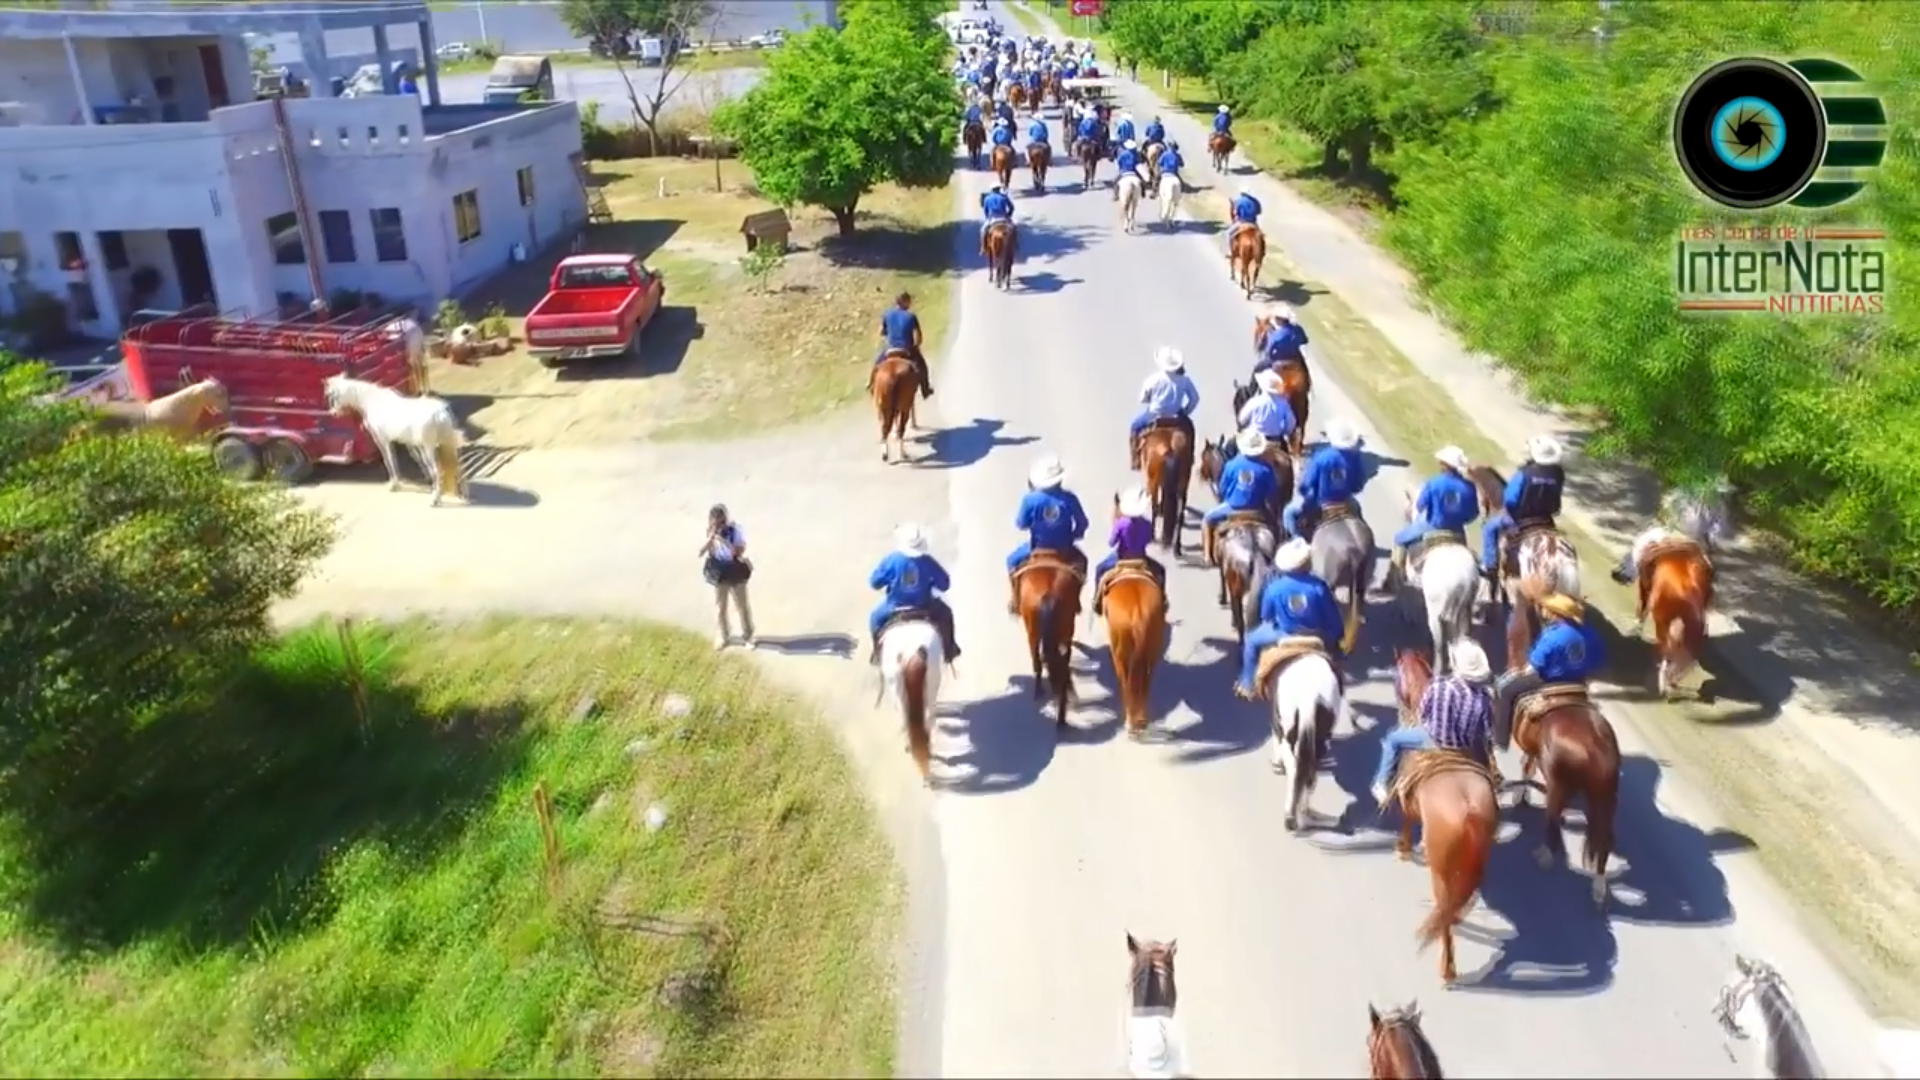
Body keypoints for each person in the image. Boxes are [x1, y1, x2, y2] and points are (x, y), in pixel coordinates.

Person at [1371, 640, 1495, 805]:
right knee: (1487, 763)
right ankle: (1494, 785)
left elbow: (1423, 713)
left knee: (1393, 739)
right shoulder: (1484, 697)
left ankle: (1382, 784)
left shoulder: (1438, 686)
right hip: (1467, 747)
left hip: (1434, 741)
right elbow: (1485, 730)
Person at [1234, 537, 1344, 699]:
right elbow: (1332, 618)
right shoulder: (1319, 586)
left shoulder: (1274, 588)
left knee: (1250, 640)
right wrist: (1336, 636)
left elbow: (1267, 616)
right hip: (1317, 635)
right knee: (1338, 654)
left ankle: (1247, 684)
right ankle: (1340, 684)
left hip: (1285, 634)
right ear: (1305, 563)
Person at [1493, 591, 1605, 749]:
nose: (1545, 612)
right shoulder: (1590, 633)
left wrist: (1519, 672)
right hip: (1578, 680)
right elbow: (1598, 660)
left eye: (1548, 609)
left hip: (1548, 680)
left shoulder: (1551, 635)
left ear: (1556, 614)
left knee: (1505, 689)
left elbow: (1534, 666)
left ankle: (1500, 740)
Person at [869, 523, 962, 666]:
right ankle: (950, 650)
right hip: (925, 606)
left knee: (874, 619)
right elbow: (945, 585)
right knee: (946, 613)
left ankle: (876, 654)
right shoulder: (927, 561)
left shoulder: (892, 560)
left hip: (894, 606)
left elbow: (874, 583)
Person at [1007, 454, 1090, 611]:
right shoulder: (1070, 498)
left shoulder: (1030, 499)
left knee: (1011, 561)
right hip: (1065, 548)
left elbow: (1021, 524)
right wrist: (1074, 535)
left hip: (1037, 548)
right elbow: (1082, 523)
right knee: (1083, 562)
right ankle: (1076, 600)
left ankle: (1016, 600)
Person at [1481, 434, 1566, 578]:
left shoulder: (1524, 473)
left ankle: (1490, 565)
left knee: (1489, 528)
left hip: (1520, 519)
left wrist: (1509, 510)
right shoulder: (1558, 473)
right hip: (1546, 520)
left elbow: (1510, 499)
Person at [1391, 446, 1479, 571]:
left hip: (1433, 526)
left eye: (1441, 462)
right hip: (1457, 530)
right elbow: (1473, 513)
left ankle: (1393, 578)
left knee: (1399, 539)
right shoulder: (1469, 487)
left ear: (1445, 465)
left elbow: (1420, 505)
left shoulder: (1433, 483)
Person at [1202, 428, 1281, 561]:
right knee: (1277, 527)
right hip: (1257, 509)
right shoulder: (1265, 468)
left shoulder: (1231, 465)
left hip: (1233, 508)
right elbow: (1272, 493)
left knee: (1207, 519)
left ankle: (1207, 556)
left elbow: (1222, 489)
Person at [1093, 487, 1167, 617]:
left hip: (1121, 558)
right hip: (1141, 559)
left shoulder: (1121, 523)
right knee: (1161, 571)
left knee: (1100, 569)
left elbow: (1111, 543)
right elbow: (1149, 539)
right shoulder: (1147, 523)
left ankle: (1097, 600)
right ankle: (1163, 601)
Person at [1286, 419, 1366, 538]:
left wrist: (1302, 491)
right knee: (1360, 520)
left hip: (1318, 504)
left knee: (1288, 513)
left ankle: (1297, 541)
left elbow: (1306, 484)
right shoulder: (1355, 458)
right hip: (1345, 503)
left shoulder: (1321, 457)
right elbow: (1358, 486)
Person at [1129, 346, 1199, 469]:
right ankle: (1190, 457)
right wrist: (1186, 411)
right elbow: (1195, 399)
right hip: (1176, 417)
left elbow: (1142, 398)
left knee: (1134, 427)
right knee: (1190, 429)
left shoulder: (1153, 380)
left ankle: (1135, 460)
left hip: (1155, 415)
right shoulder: (1185, 380)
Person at [701, 504, 754, 649]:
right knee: (720, 607)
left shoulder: (734, 531)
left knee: (741, 605)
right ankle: (723, 635)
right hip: (719, 571)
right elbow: (701, 552)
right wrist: (710, 540)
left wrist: (724, 540)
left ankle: (748, 635)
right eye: (716, 523)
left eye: (722, 522)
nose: (720, 526)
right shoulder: (710, 533)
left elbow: (738, 551)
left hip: (735, 568)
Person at [870, 291, 933, 399]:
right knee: (922, 366)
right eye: (909, 301)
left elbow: (881, 332)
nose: (910, 304)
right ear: (904, 302)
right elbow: (918, 338)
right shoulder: (911, 316)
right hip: (906, 350)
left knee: (876, 364)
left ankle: (871, 385)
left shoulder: (887, 314)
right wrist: (915, 348)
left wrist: (888, 336)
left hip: (890, 350)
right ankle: (925, 388)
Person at [1236, 367, 1297, 450]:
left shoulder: (1255, 402)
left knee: (1233, 447)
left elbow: (1242, 419)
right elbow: (1291, 424)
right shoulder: (1283, 404)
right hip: (1275, 441)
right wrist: (1283, 430)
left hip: (1255, 440)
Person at [1254, 304, 1309, 374]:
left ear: (1279, 320)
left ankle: (1251, 385)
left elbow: (1269, 350)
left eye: (1276, 318)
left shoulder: (1276, 335)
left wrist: (1271, 357)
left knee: (1257, 369)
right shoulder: (1298, 329)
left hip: (1280, 360)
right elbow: (1305, 341)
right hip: (1294, 358)